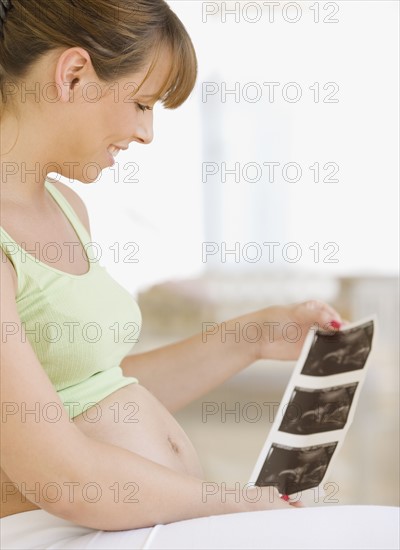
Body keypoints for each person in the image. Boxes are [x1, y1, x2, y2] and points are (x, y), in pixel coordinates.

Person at [0, 1, 345, 547]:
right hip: (50, 531)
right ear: (71, 75)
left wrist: (250, 337)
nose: (146, 132)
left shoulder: (64, 206)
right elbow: (62, 477)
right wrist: (247, 501)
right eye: (141, 103)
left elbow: (91, 393)